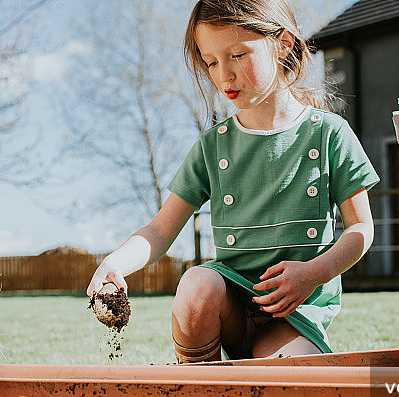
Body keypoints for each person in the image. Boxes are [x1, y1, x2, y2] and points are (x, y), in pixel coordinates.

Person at [88, 0, 379, 363]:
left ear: (283, 44)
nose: (223, 74)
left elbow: (360, 229)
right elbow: (160, 231)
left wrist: (315, 273)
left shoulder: (330, 134)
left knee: (288, 383)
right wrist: (115, 263)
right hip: (232, 306)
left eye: (238, 55)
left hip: (294, 316)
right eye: (210, 62)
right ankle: (198, 396)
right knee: (196, 285)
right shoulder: (212, 146)